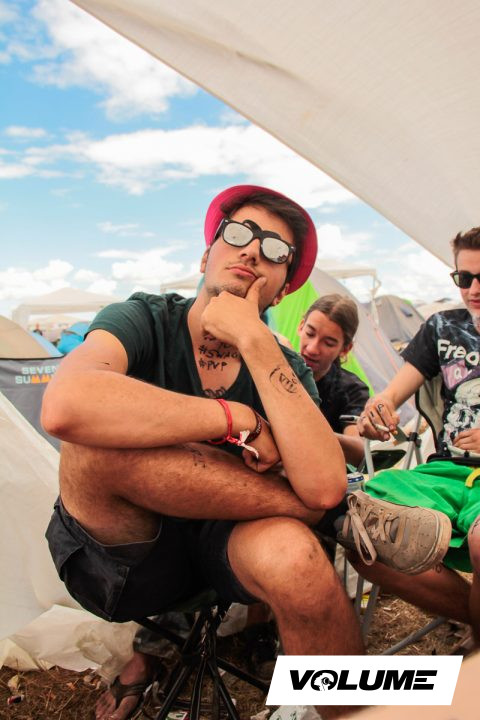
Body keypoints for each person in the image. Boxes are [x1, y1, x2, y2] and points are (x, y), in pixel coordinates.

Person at [42, 184, 365, 720]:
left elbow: (326, 482)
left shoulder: (284, 365)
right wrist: (235, 417)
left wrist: (255, 341)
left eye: (275, 250)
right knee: (93, 446)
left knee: (297, 557)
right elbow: (65, 406)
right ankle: (333, 520)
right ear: (205, 256)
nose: (253, 249)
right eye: (238, 233)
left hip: (227, 544)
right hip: (126, 555)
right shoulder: (145, 318)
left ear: (282, 290)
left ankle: (356, 712)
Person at [339, 226, 480, 641]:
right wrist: (378, 408)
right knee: (360, 530)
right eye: (464, 278)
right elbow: (393, 392)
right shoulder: (442, 327)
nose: (473, 289)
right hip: (445, 472)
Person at [297, 294, 369, 467]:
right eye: (310, 333)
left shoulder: (352, 390)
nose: (312, 348)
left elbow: (360, 451)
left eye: (328, 343)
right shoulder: (276, 368)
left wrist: (307, 430)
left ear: (345, 349)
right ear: (301, 326)